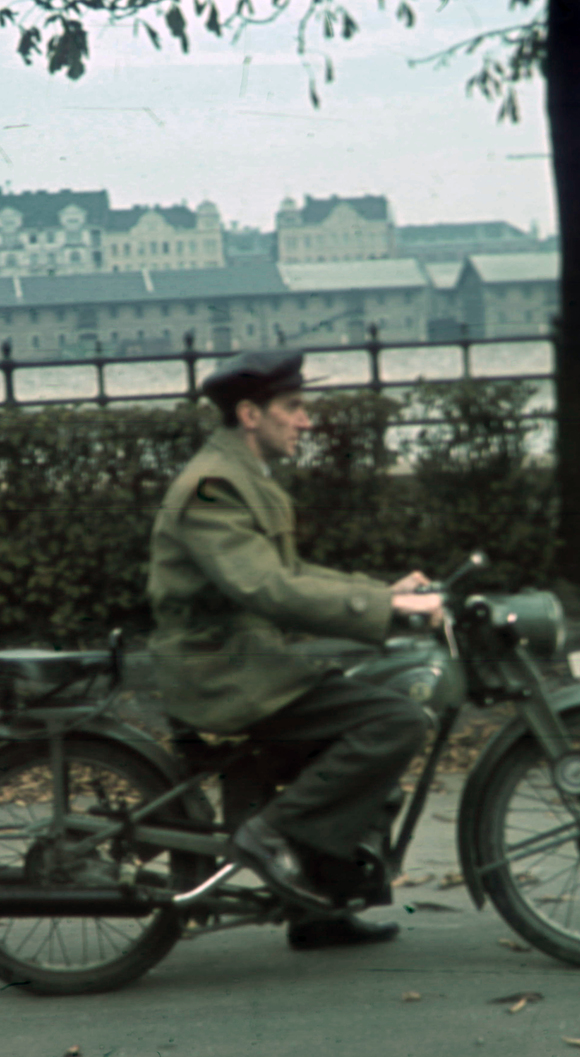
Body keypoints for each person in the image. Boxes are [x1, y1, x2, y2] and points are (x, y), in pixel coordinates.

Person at [147, 350, 443, 951]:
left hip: (246, 659)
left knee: (367, 721)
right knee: (394, 721)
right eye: (294, 408)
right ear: (251, 414)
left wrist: (380, 594)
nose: (305, 422)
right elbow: (267, 587)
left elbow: (290, 571)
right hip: (223, 672)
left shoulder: (244, 478)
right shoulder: (211, 488)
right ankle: (271, 834)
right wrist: (389, 612)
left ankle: (319, 912)